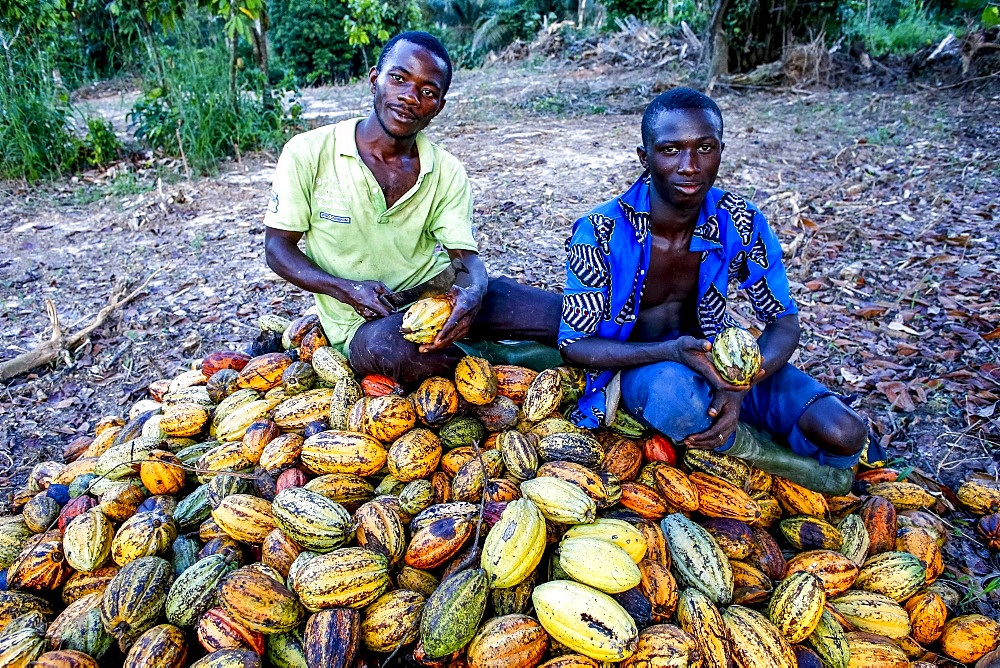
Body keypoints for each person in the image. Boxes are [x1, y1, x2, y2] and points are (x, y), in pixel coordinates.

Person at [558, 87, 878, 481]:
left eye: (705, 148)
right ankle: (773, 462)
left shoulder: (739, 219)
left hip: (725, 363)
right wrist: (672, 351)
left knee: (844, 432)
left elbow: (783, 321)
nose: (690, 166)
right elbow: (575, 345)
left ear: (721, 151)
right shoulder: (602, 231)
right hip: (646, 362)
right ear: (646, 157)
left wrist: (740, 384)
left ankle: (749, 428)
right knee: (675, 401)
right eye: (671, 150)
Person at [263, 31, 561, 384]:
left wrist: (472, 295)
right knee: (407, 356)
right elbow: (277, 248)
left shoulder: (445, 169)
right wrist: (345, 288)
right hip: (364, 322)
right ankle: (507, 358)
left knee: (563, 316)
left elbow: (465, 261)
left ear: (439, 106)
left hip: (439, 294)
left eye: (428, 91)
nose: (409, 97)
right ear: (374, 79)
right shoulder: (309, 153)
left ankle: (499, 346)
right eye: (399, 78)